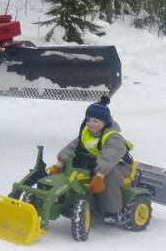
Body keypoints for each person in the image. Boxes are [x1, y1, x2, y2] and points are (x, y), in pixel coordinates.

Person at [48, 96, 134, 224]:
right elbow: (73, 147)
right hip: (97, 162)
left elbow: (109, 156)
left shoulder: (113, 137)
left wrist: (100, 174)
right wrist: (60, 163)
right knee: (72, 168)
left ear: (105, 122)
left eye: (95, 121)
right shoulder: (87, 132)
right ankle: (69, 199)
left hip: (117, 165)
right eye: (88, 120)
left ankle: (112, 211)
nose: (90, 124)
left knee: (111, 178)